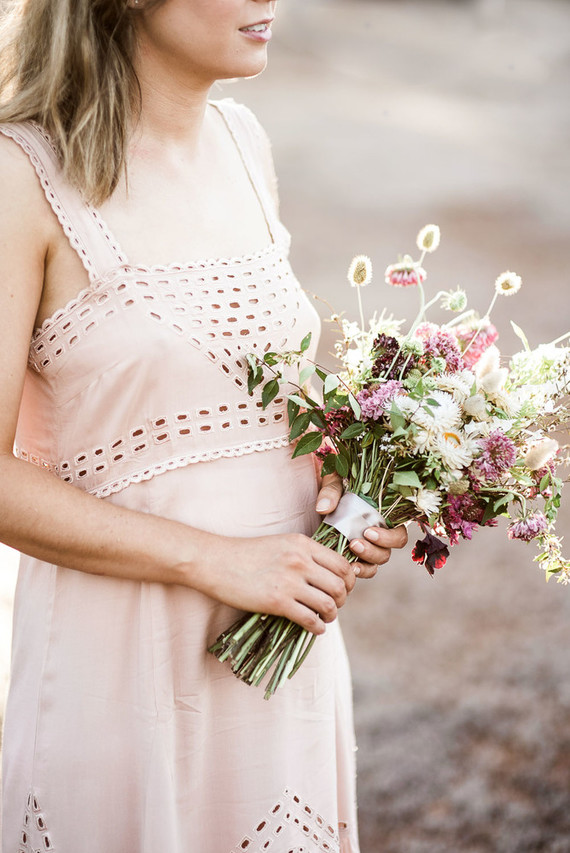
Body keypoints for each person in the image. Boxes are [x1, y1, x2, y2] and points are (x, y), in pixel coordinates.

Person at [0, 1, 408, 850]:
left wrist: (351, 494)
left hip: (280, 659)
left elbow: (243, 403)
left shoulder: (242, 143)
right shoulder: (18, 177)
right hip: (121, 669)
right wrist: (218, 562)